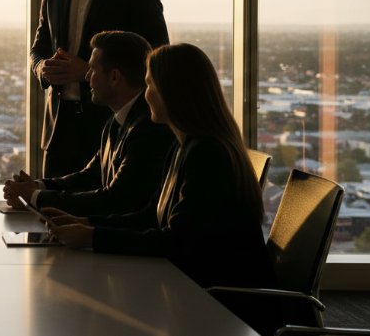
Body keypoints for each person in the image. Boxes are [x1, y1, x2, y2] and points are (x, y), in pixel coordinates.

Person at [43, 43, 274, 292]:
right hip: (195, 288)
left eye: (150, 85)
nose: (145, 94)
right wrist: (86, 223)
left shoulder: (206, 155)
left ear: (173, 92)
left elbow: (176, 242)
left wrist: (92, 236)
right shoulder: (185, 146)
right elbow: (151, 215)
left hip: (221, 303)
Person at [31, 0, 169, 178]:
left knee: (102, 211)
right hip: (58, 129)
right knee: (50, 212)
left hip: (113, 125)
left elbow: (156, 52)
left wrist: (88, 72)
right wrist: (43, 67)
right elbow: (38, 48)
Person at [3, 31, 175, 216]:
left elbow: (114, 200)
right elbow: (90, 177)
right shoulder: (116, 121)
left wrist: (35, 197)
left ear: (114, 77)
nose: (86, 77)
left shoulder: (148, 130)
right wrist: (37, 186)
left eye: (92, 69)